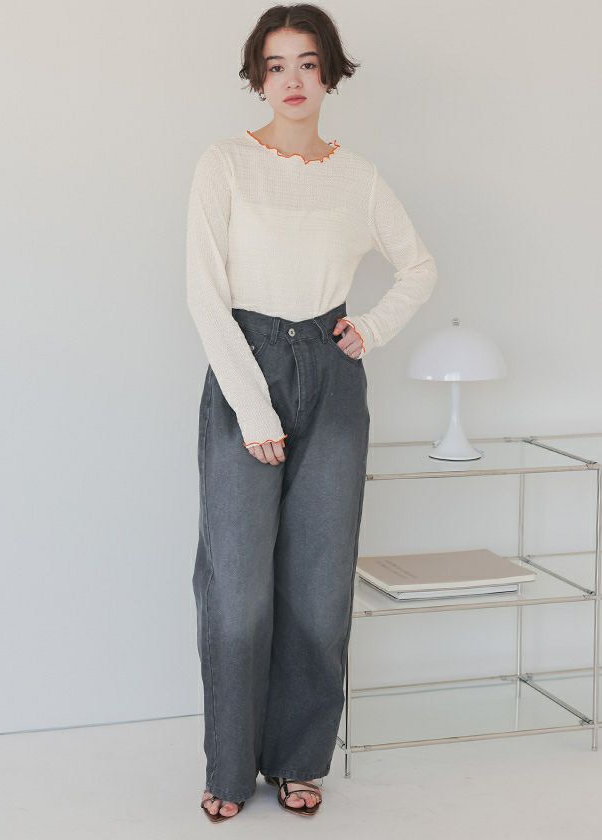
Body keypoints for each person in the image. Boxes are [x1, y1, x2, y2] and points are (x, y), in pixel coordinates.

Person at [186, 3, 438, 823]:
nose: (291, 79)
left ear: (328, 71)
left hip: (331, 379)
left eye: (306, 62)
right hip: (246, 368)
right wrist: (252, 407)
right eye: (276, 64)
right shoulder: (225, 163)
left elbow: (418, 267)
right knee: (236, 587)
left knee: (320, 587)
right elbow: (204, 295)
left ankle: (299, 760)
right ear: (258, 76)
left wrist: (370, 328)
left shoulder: (357, 177)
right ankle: (230, 769)